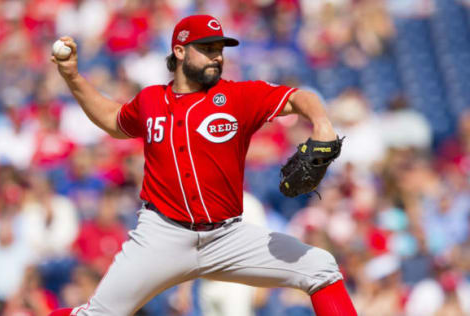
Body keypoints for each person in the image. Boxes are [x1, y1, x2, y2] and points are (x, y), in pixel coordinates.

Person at [49, 14, 357, 316]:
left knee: (322, 268)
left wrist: (321, 123)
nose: (217, 57)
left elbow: (297, 97)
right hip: (161, 235)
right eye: (207, 49)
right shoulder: (150, 100)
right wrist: (73, 77)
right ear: (180, 52)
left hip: (227, 237)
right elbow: (113, 120)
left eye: (220, 49)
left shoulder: (238, 96)